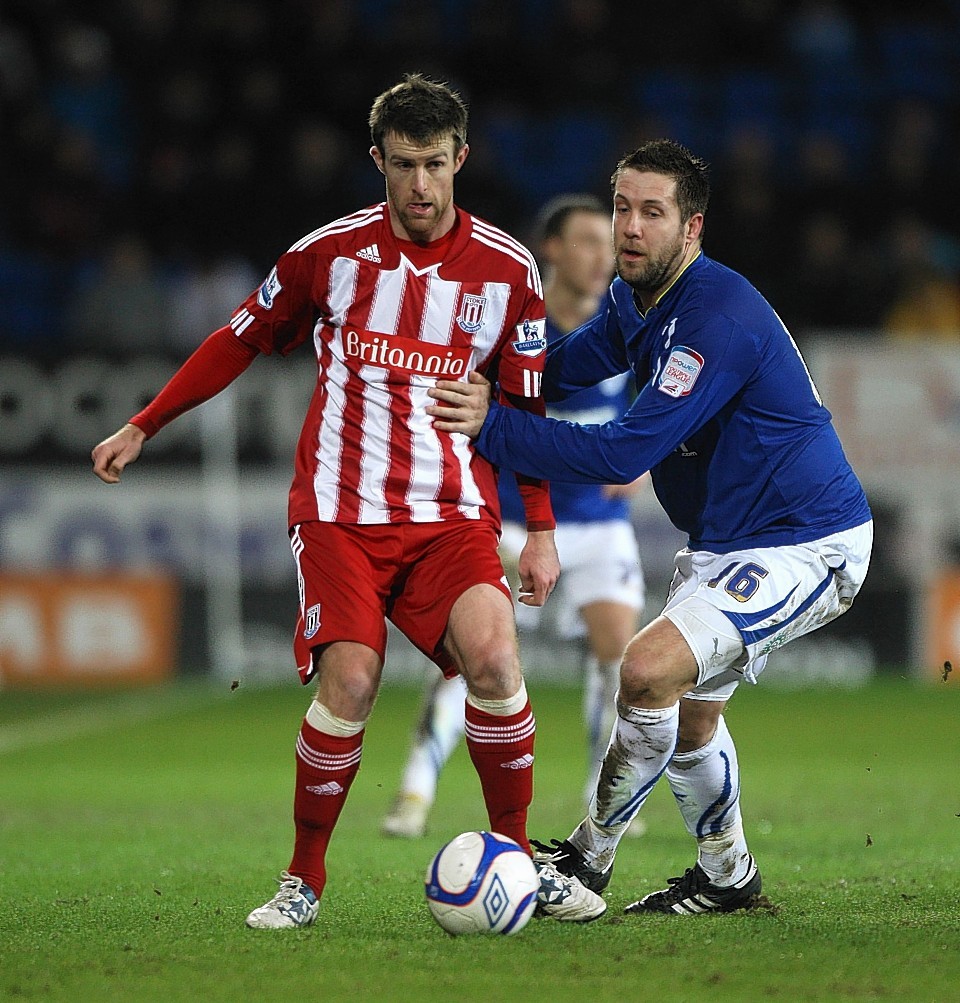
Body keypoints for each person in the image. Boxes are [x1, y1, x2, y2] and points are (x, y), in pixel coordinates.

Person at [90, 73, 606, 927]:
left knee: (498, 662)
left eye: (435, 164)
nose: (420, 185)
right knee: (354, 677)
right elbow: (237, 338)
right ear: (378, 160)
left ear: (461, 159)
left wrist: (542, 529)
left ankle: (516, 860)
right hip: (339, 513)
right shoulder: (326, 255)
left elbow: (523, 408)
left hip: (450, 515)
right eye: (403, 164)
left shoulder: (510, 271)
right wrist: (146, 423)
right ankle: (304, 879)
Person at [426, 138, 873, 915]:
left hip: (807, 539)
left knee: (644, 668)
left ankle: (588, 858)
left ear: (692, 228)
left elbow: (626, 448)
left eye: (652, 213)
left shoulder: (715, 319)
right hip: (729, 543)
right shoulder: (637, 302)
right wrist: (484, 366)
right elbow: (563, 367)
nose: (630, 228)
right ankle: (728, 879)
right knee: (691, 724)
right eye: (621, 208)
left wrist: (490, 427)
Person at [382, 193, 647, 840]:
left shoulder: (625, 327)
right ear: (551, 249)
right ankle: (415, 789)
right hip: (509, 525)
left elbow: (661, 404)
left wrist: (644, 460)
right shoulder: (512, 327)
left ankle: (600, 796)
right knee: (474, 655)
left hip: (596, 526)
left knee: (620, 654)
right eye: (586, 240)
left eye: (607, 243)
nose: (602, 255)